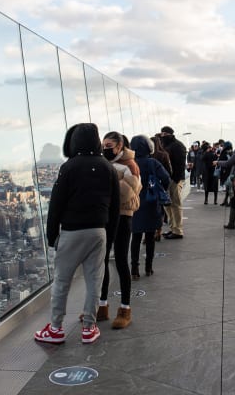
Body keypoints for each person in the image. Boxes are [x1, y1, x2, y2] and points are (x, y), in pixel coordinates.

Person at [35, 123, 119, 345]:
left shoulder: (69, 167)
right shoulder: (107, 167)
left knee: (62, 281)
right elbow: (115, 207)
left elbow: (56, 204)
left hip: (72, 231)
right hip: (98, 231)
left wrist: (52, 235)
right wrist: (109, 237)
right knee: (95, 281)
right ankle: (89, 329)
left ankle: (55, 328)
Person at [97, 132, 141, 329]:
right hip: (106, 217)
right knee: (103, 261)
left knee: (121, 261)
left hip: (123, 217)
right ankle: (102, 306)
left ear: (119, 145)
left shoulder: (130, 165)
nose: (105, 148)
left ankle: (125, 309)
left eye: (109, 145)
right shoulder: (105, 163)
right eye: (103, 144)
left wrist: (107, 178)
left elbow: (128, 194)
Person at [130, 135, 170, 279]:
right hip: (151, 202)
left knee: (135, 237)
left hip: (134, 204)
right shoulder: (153, 163)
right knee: (150, 237)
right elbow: (166, 179)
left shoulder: (130, 163)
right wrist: (159, 190)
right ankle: (148, 267)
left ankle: (134, 269)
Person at [160, 126, 187, 239]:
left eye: (165, 134)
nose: (163, 136)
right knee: (168, 206)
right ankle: (172, 228)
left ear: (170, 134)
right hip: (168, 179)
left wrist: (175, 179)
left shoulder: (178, 146)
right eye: (162, 134)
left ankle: (178, 231)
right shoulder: (168, 145)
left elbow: (180, 165)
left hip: (174, 179)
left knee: (175, 205)